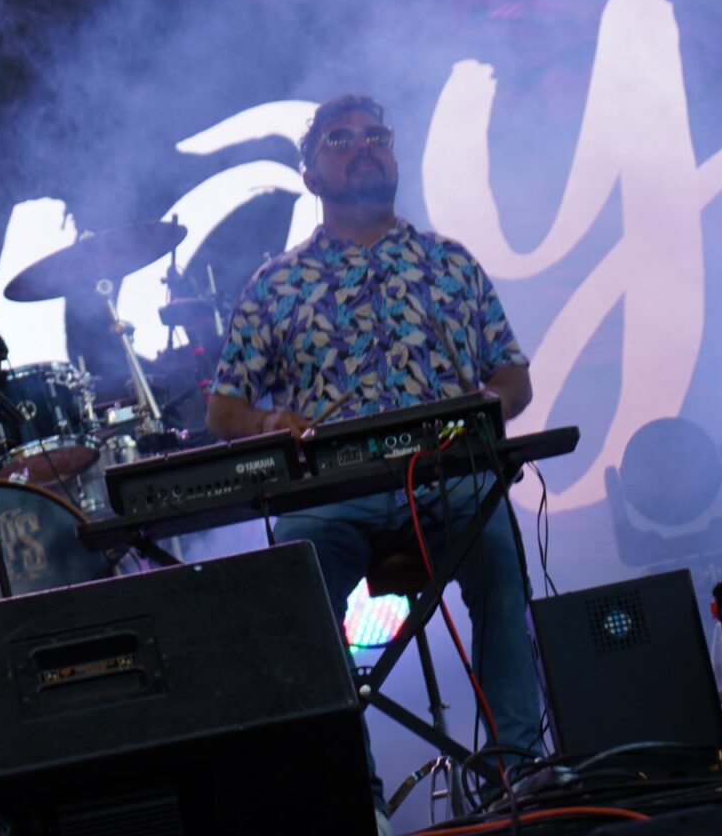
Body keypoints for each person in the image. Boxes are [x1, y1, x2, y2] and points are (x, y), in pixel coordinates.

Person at [206, 94, 541, 834]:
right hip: (334, 491)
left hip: (448, 475)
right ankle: (353, 796)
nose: (363, 147)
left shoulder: (449, 262)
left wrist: (488, 402)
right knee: (292, 586)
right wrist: (268, 421)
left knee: (497, 547)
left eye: (376, 137)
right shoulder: (276, 284)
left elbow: (514, 376)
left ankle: (521, 772)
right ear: (310, 175)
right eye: (340, 139)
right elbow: (222, 412)